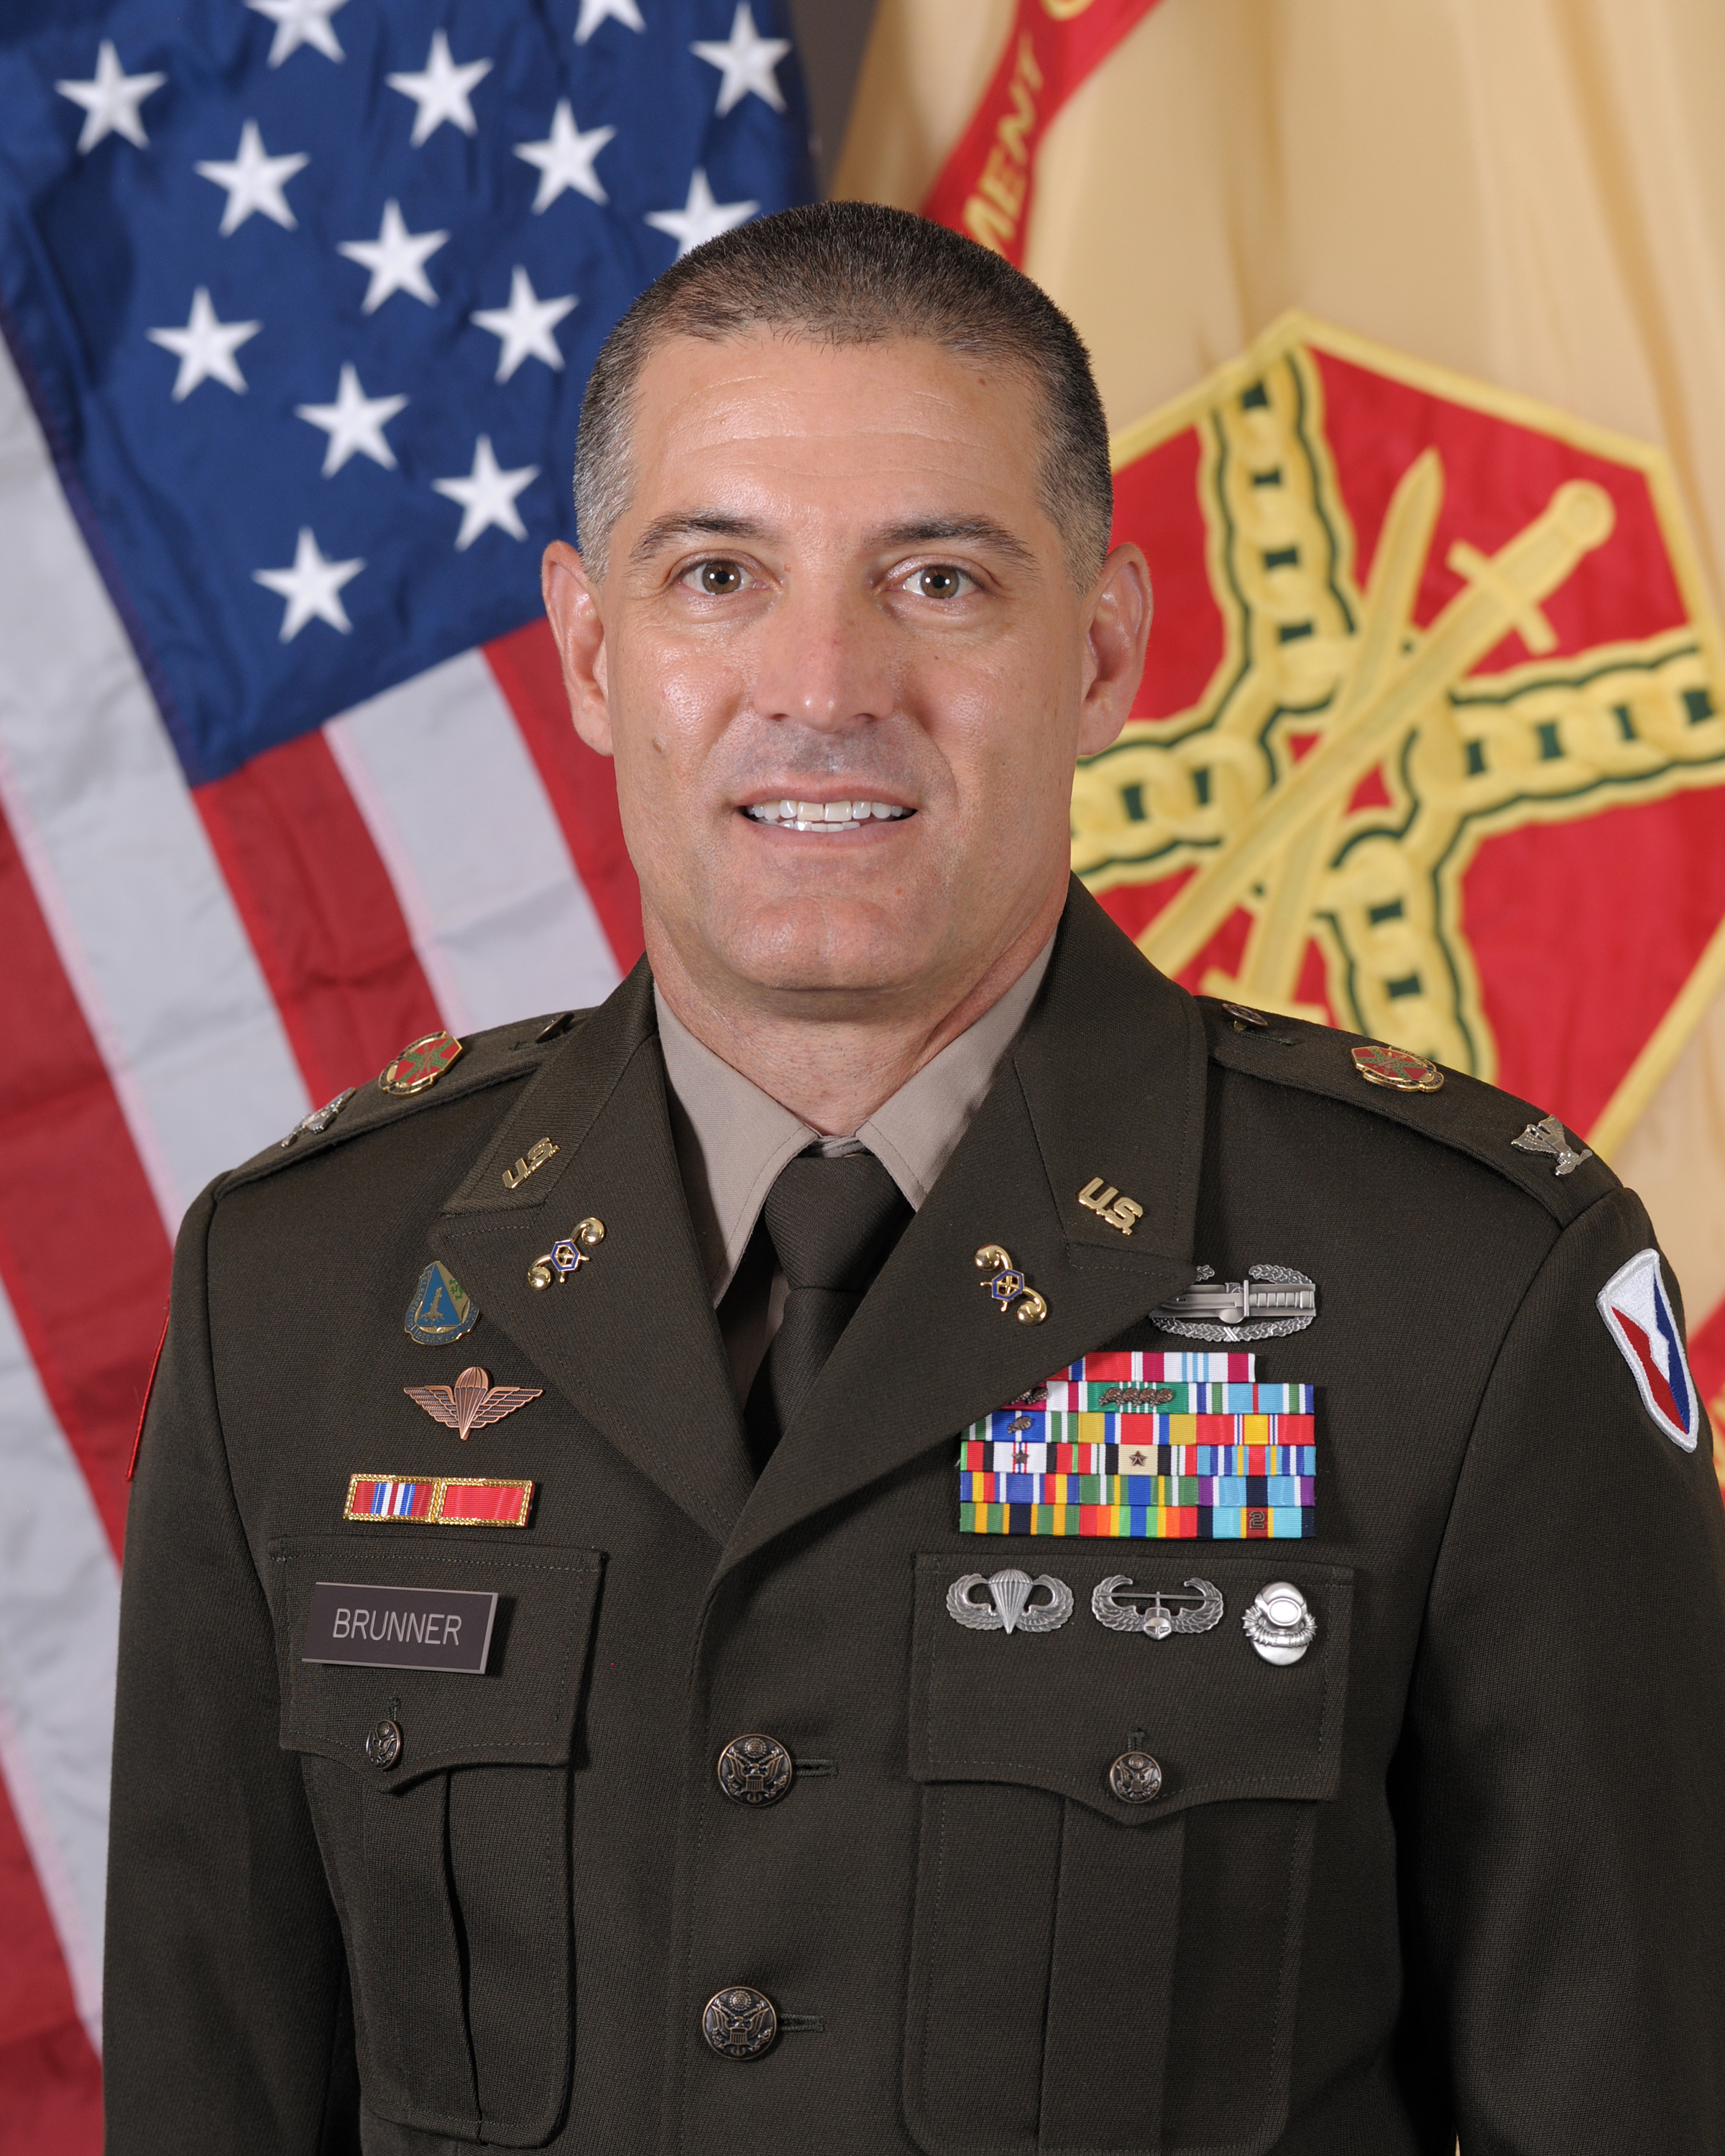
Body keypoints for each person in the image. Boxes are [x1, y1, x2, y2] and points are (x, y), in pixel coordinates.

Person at [104, 201, 1725, 2155]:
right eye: (719, 574)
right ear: (594, 653)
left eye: (939, 581)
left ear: (1107, 648)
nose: (824, 682)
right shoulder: (297, 1290)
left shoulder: (1462, 1294)